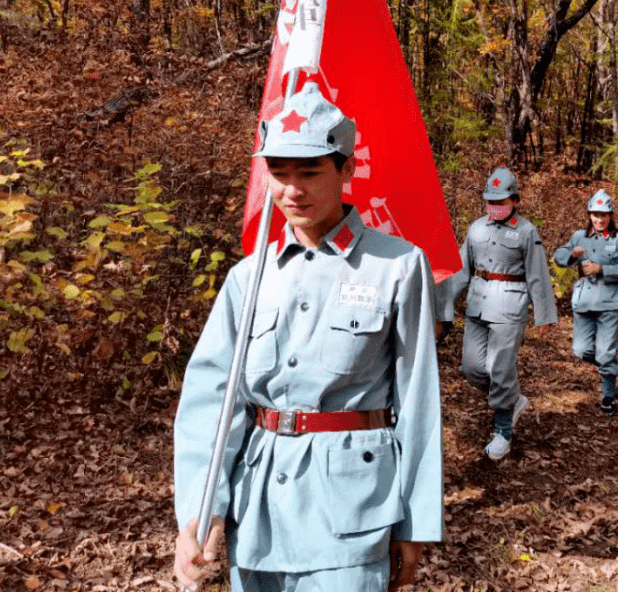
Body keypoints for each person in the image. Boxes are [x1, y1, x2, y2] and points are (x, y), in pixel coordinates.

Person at [173, 85, 442, 592]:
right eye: (279, 173)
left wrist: (417, 521)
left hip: (351, 513)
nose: (292, 190)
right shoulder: (248, 278)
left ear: (345, 171)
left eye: (310, 172)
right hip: (259, 510)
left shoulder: (398, 267)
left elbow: (418, 399)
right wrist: (202, 508)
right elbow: (214, 401)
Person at [450, 165, 558, 461]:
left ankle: (502, 433)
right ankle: (511, 401)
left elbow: (538, 274)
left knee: (500, 369)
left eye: (500, 201)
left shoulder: (526, 231)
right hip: (477, 302)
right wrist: (443, 301)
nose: (495, 206)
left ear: (513, 200)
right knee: (471, 368)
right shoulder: (476, 228)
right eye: (490, 201)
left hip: (509, 307)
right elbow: (462, 269)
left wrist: (544, 315)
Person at [554, 189, 618, 416]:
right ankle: (607, 366)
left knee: (605, 354)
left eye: (604, 215)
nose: (599, 219)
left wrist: (602, 269)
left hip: (609, 302)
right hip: (584, 302)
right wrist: (571, 255)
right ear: (589, 215)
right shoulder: (579, 236)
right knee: (580, 350)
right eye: (595, 215)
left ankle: (608, 396)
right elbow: (559, 257)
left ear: (611, 216)